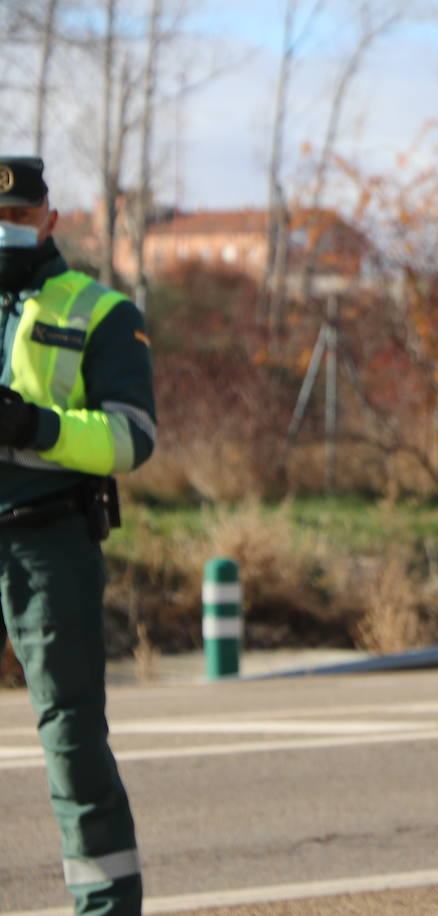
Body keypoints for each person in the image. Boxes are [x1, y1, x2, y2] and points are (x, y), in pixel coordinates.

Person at [0, 155, 156, 915]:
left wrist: (35, 426)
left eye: (20, 216)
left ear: (50, 219)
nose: (7, 229)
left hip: (47, 540)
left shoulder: (101, 310)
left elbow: (132, 439)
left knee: (71, 740)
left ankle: (106, 908)